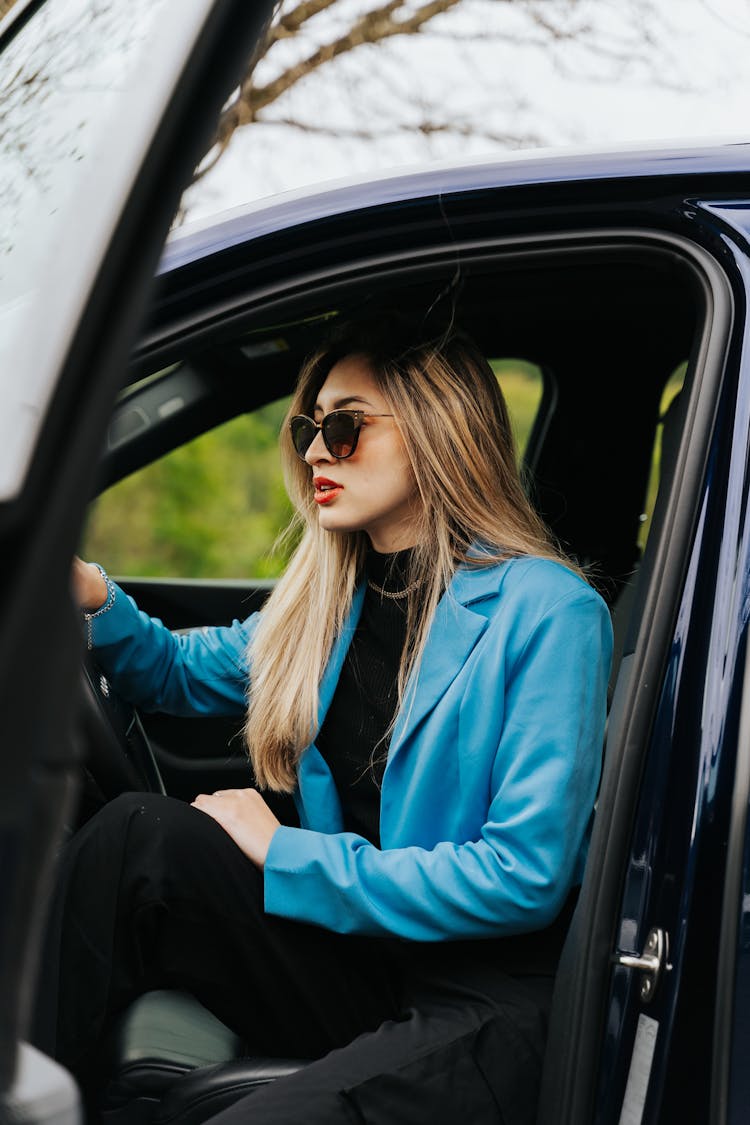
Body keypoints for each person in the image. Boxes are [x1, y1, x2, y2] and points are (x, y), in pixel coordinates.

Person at [34, 311, 612, 1124]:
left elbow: (522, 878)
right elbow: (171, 673)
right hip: (368, 963)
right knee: (140, 835)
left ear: (436, 427)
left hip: (484, 999)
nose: (312, 452)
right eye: (309, 428)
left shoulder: (550, 611)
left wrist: (289, 851)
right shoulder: (328, 604)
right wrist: (89, 587)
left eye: (343, 427)